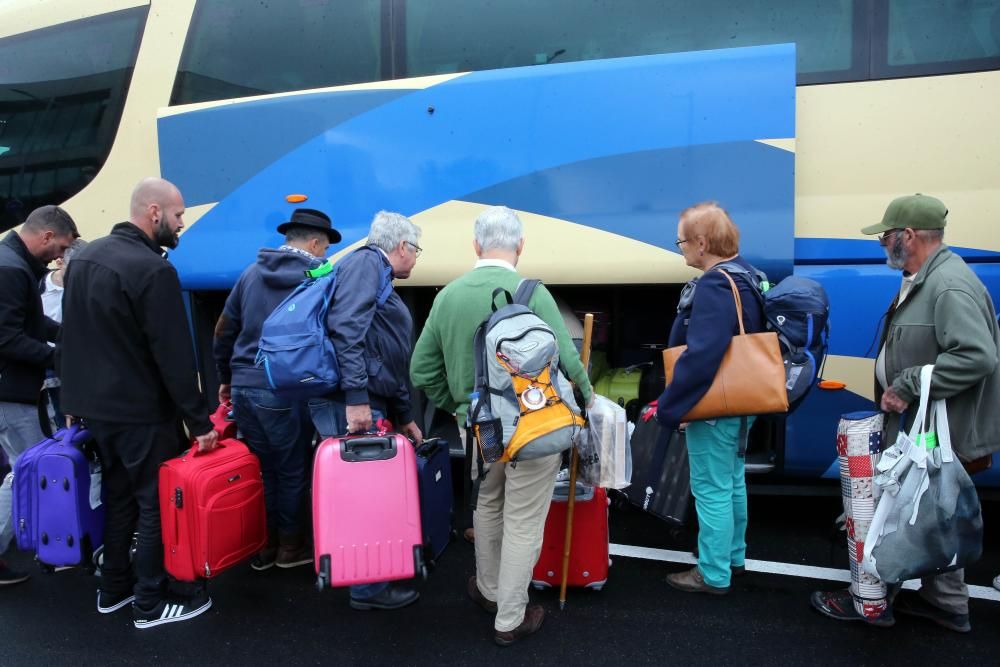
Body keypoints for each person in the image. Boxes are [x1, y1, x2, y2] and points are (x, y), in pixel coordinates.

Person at [811, 194, 1000, 633]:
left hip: (937, 429)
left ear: (908, 236)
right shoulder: (928, 277)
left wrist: (908, 383)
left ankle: (873, 598)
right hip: (930, 425)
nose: (882, 246)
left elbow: (977, 357)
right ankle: (946, 602)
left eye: (884, 238)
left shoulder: (948, 285)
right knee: (934, 508)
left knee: (896, 507)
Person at [409, 205, 594, 646]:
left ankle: (490, 591)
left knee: (488, 504)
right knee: (524, 519)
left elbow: (421, 369)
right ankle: (510, 617)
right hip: (532, 427)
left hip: (479, 429)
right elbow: (568, 363)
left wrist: (457, 404)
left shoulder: (447, 295)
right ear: (520, 246)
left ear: (475, 245)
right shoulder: (533, 292)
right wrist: (586, 405)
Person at [60, 177, 219, 628]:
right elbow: (174, 356)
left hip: (97, 411)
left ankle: (114, 589)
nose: (181, 223)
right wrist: (199, 420)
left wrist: (73, 399)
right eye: (178, 214)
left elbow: (72, 337)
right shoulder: (153, 270)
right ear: (153, 212)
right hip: (142, 412)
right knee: (154, 503)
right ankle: (151, 602)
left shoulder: (86, 258)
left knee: (118, 496)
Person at [308, 210, 423, 611]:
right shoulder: (366, 264)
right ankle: (368, 588)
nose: (417, 259)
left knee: (368, 491)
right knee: (362, 494)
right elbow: (347, 328)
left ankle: (370, 577)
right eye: (417, 250)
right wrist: (357, 397)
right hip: (352, 402)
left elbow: (383, 351)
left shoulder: (373, 270)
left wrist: (405, 414)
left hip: (367, 397)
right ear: (402, 247)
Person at [214, 208, 340, 571]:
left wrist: (226, 375)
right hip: (284, 387)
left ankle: (263, 547)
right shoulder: (317, 278)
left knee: (261, 468)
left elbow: (223, 330)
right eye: (325, 248)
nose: (325, 255)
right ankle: (290, 547)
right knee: (290, 470)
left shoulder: (251, 274)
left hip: (243, 387)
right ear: (315, 242)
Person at [655, 202, 765, 596]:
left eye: (682, 241)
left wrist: (671, 406)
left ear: (702, 243)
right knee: (732, 483)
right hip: (741, 400)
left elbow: (703, 354)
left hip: (716, 404)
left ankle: (713, 573)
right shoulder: (747, 274)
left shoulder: (715, 283)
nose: (681, 248)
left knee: (712, 489)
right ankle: (734, 557)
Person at [0, 205, 78, 586]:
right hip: (9, 391)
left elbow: (29, 322)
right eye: (60, 246)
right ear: (46, 236)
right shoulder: (11, 270)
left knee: (23, 470)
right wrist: (59, 356)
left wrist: (68, 336)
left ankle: (50, 547)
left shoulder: (13, 262)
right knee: (27, 473)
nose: (60, 255)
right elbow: (6, 338)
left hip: (11, 388)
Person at [39, 238, 88, 428]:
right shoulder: (37, 287)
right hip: (48, 360)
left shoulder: (84, 287)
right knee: (60, 419)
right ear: (60, 262)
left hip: (77, 361)